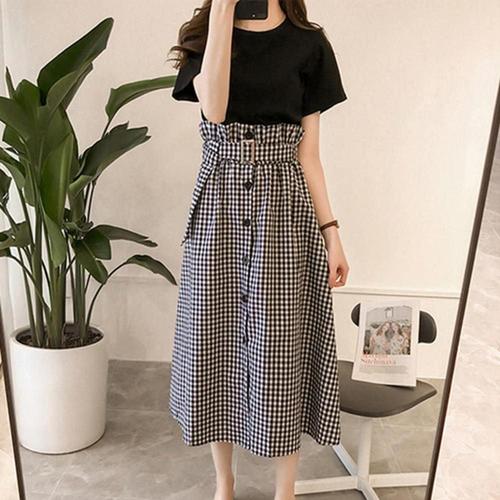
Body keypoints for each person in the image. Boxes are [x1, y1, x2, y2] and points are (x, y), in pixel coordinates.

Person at [167, 1, 349, 499]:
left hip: (284, 211)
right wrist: (223, 11)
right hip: (219, 206)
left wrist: (332, 231)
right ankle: (224, 482)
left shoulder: (309, 44)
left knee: (282, 349)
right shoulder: (205, 35)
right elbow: (214, 110)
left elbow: (309, 154)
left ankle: (285, 490)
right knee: (213, 344)